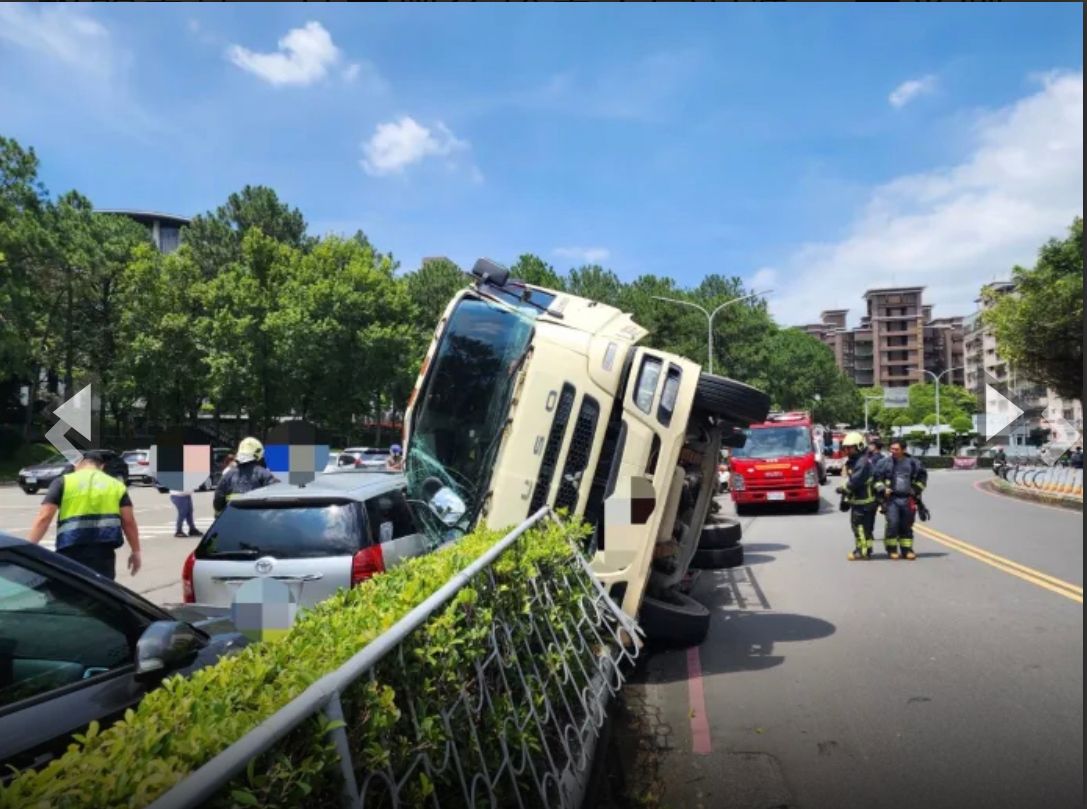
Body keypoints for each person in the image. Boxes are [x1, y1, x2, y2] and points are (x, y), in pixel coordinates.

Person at [26, 450, 142, 580]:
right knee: (101, 591)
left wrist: (27, 548)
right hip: (103, 552)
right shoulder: (116, 485)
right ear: (102, 466)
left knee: (71, 591)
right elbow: (128, 521)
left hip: (70, 547)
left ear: (77, 464)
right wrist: (135, 551)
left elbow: (44, 518)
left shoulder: (63, 482)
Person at [873, 439, 928, 560]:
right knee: (893, 523)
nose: (893, 451)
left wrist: (915, 490)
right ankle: (892, 550)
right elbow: (876, 479)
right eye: (891, 449)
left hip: (908, 499)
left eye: (896, 449)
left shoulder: (914, 463)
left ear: (904, 450)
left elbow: (922, 478)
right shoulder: (883, 463)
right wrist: (882, 489)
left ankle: (907, 550)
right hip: (891, 500)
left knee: (906, 525)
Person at [836, 432, 877, 561]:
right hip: (860, 501)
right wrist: (845, 498)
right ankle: (867, 549)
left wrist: (843, 489)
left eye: (850, 448)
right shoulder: (854, 461)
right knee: (865, 529)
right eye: (846, 448)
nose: (847, 450)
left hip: (863, 502)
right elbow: (847, 478)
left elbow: (855, 481)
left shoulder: (862, 462)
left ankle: (862, 552)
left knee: (859, 527)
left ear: (859, 446)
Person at [213, 437, 278, 516]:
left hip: (232, 520)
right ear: (258, 454)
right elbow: (277, 499)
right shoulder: (265, 474)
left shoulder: (228, 475)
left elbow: (218, 502)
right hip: (257, 521)